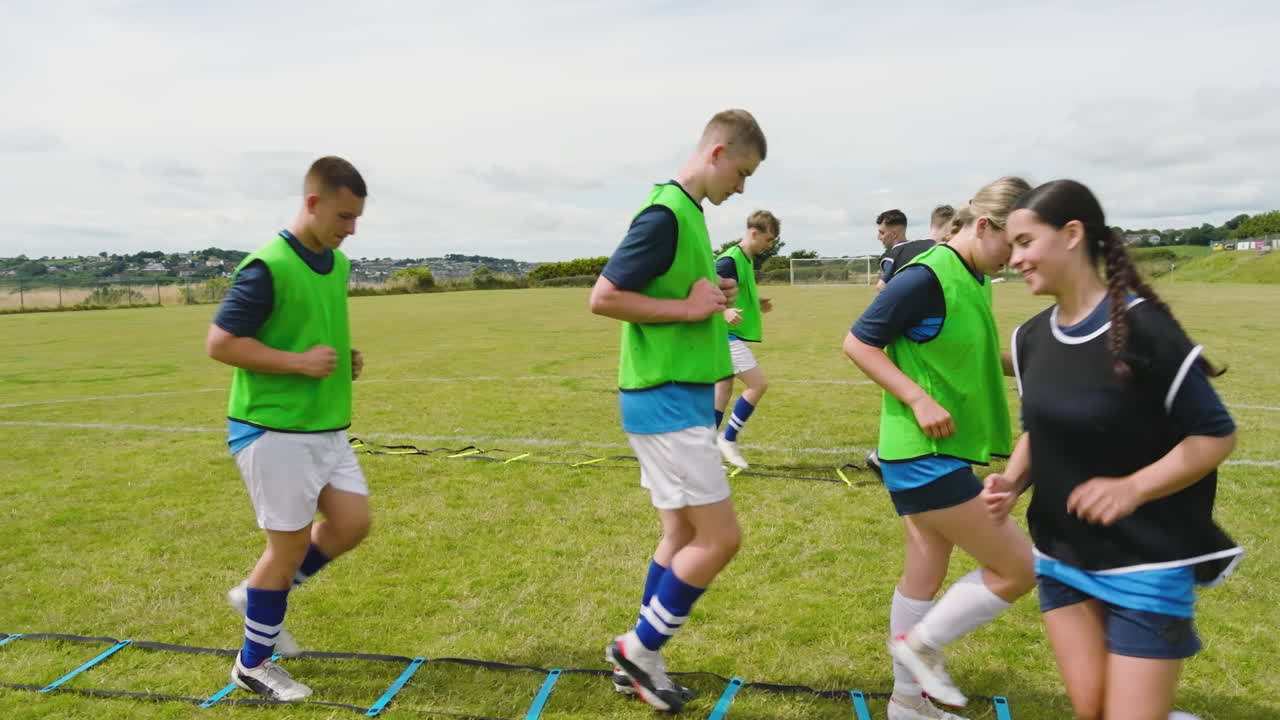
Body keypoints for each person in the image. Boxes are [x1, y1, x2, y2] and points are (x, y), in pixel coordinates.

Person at [990, 179, 1241, 720]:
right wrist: (1012, 481)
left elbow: (1215, 434)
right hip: (1061, 558)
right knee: (1092, 711)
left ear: (1072, 235)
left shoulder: (1145, 330)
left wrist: (1133, 488)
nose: (1015, 259)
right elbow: (1041, 429)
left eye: (1026, 242)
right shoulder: (1030, 340)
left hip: (1145, 562)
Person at [589, 108, 767, 713]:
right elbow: (605, 296)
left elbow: (673, 295)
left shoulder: (689, 215)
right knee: (720, 539)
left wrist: (707, 301)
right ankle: (638, 648)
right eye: (741, 172)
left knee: (681, 533)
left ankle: (639, 661)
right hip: (664, 399)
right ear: (717, 153)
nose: (741, 188)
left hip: (676, 396)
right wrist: (691, 312)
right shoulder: (665, 213)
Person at [844, 177, 1036, 719]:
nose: (1016, 257)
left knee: (923, 575)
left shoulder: (976, 279)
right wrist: (917, 399)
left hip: (943, 454)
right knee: (1019, 569)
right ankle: (919, 647)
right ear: (982, 226)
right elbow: (858, 341)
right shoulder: (927, 275)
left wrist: (1036, 360)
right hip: (922, 453)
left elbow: (970, 354)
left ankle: (907, 703)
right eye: (1013, 242)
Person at [206, 156, 372, 702]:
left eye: (356, 219)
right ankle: (254, 664)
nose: (350, 230)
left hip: (324, 429)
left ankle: (257, 599)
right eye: (344, 216)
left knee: (350, 524)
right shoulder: (267, 265)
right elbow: (222, 343)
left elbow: (307, 327)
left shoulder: (337, 264)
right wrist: (298, 363)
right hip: (272, 430)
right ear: (312, 203)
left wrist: (341, 356)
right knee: (287, 547)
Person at [866, 205, 954, 476]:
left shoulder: (895, 253)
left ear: (894, 231)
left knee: (909, 394)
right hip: (939, 330)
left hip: (908, 335)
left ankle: (887, 455)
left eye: (881, 232)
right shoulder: (934, 247)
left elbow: (883, 288)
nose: (879, 237)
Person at [713, 209, 781, 469]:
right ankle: (728, 439)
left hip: (728, 335)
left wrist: (756, 301)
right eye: (769, 239)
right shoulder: (729, 260)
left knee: (723, 390)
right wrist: (724, 311)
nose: (770, 245)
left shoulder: (746, 259)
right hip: (725, 336)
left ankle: (704, 452)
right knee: (757, 385)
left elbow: (736, 290)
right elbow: (709, 290)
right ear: (754, 233)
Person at [876, 209, 935, 292]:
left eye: (882, 233)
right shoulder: (928, 245)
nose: (878, 237)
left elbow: (881, 286)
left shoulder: (891, 257)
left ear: (894, 234)